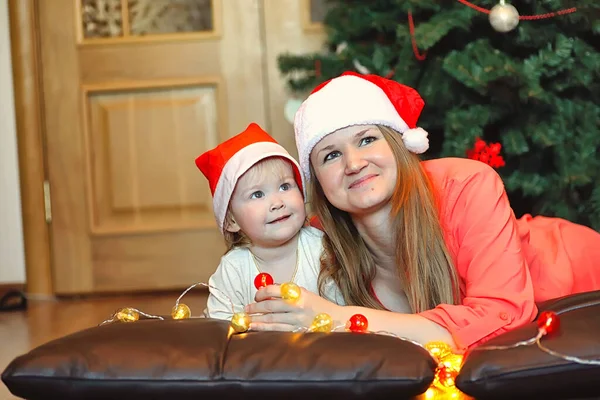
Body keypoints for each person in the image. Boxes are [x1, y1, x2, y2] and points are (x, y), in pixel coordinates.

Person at [244, 71, 600, 351]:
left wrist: (338, 317)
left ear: (399, 146)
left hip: (578, 284)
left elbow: (503, 319)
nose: (354, 163)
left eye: (367, 139)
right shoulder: (318, 242)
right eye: (331, 155)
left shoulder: (467, 184)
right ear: (317, 181)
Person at [195, 122, 343, 320]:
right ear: (231, 220)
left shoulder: (321, 248)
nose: (276, 202)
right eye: (257, 194)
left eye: (284, 187)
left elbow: (343, 312)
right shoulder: (234, 268)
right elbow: (220, 328)